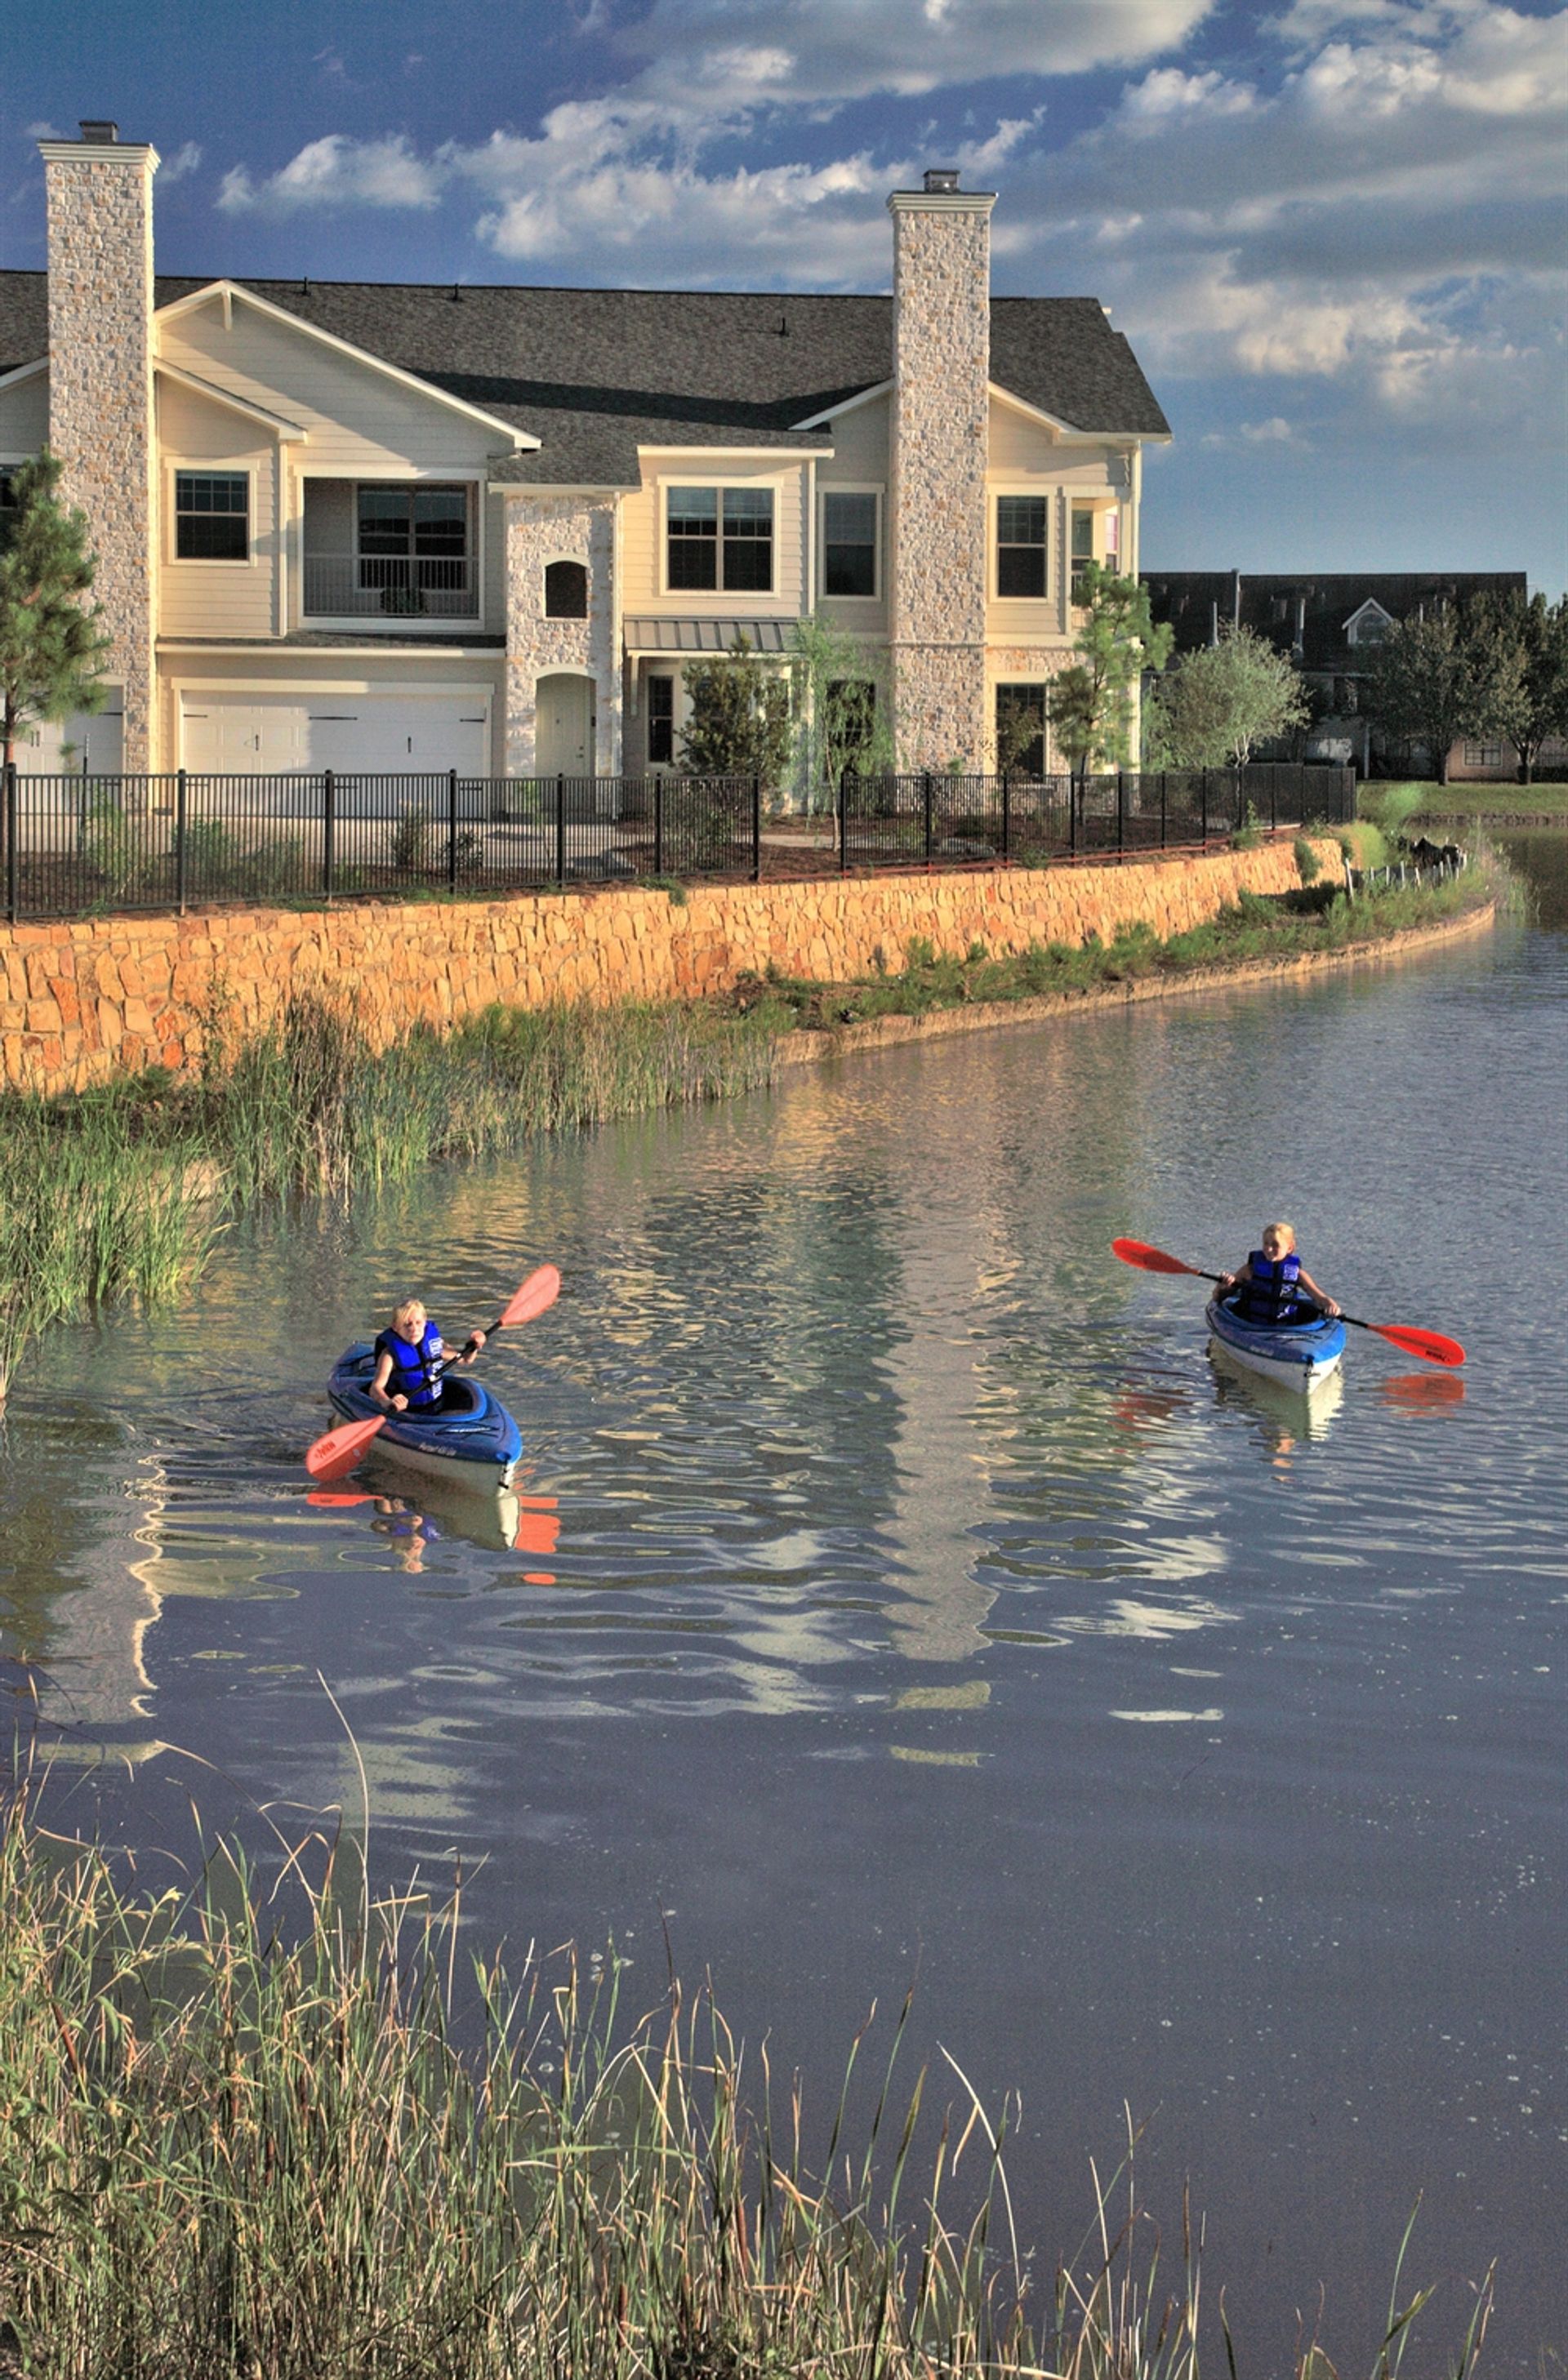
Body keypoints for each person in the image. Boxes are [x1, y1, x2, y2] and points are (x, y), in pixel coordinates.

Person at [370, 1297, 487, 1416]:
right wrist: (387, 1402)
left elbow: (466, 1359)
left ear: (425, 1321)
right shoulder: (389, 1355)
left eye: (418, 1322)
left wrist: (474, 1346)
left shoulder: (434, 1345)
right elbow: (376, 1388)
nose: (414, 1329)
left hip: (437, 1405)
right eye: (407, 1324)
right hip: (408, 1412)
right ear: (395, 1327)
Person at [1218, 1222, 1340, 1323]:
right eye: (1266, 1243)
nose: (1269, 1249)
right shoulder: (1249, 1270)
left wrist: (1331, 1305)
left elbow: (1319, 1297)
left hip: (1285, 1325)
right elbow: (1218, 1297)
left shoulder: (1298, 1274)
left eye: (1275, 1245)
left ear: (1290, 1248)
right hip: (1251, 1324)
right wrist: (1224, 1285)